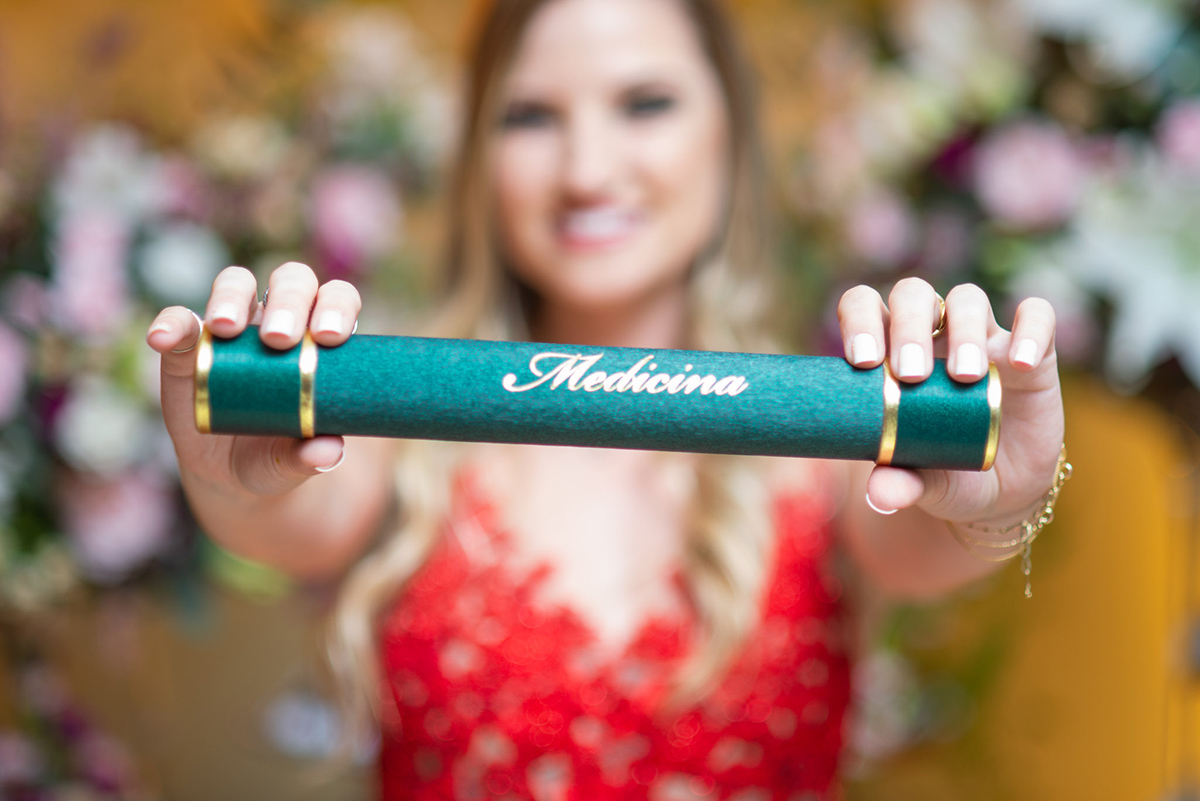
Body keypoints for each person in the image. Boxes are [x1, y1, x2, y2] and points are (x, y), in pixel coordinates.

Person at [145, 0, 1066, 796]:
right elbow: (282, 513)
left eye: (645, 103)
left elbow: (932, 536)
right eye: (531, 116)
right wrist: (231, 478)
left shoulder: (834, 427)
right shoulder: (395, 427)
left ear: (729, 135)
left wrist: (998, 492)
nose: (587, 169)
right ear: (480, 156)